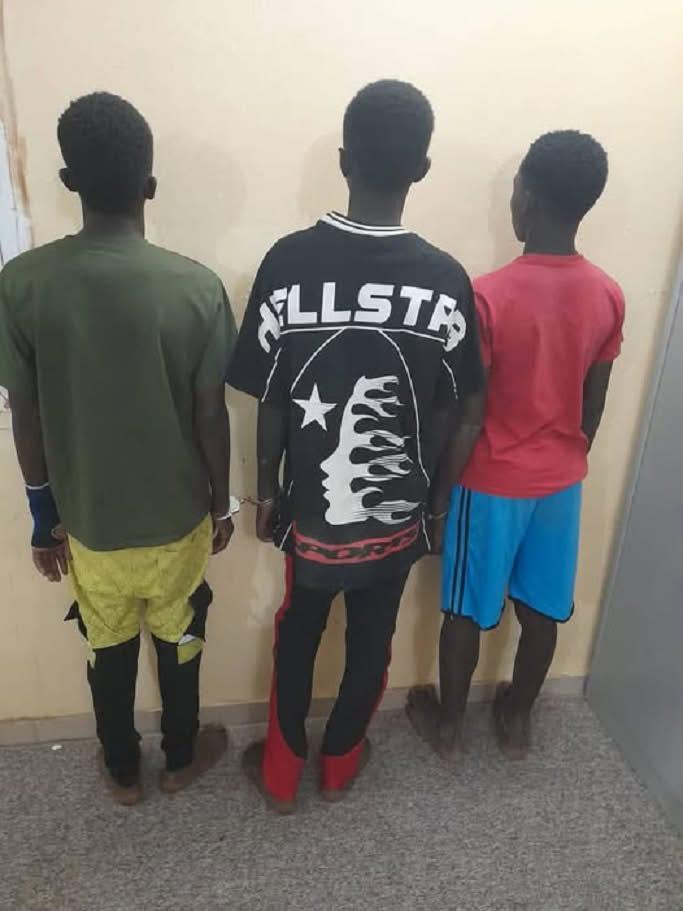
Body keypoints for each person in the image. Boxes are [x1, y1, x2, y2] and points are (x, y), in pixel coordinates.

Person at [229, 79, 485, 813]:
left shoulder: (287, 262)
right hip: (400, 513)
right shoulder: (445, 279)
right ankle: (340, 762)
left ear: (344, 160)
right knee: (374, 637)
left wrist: (266, 492)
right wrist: (437, 507)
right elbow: (462, 407)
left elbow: (272, 394)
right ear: (422, 169)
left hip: (310, 511)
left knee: (297, 630)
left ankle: (281, 772)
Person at [0, 92, 237, 805]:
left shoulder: (22, 284)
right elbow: (210, 414)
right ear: (150, 186)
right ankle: (182, 755)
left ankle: (123, 768)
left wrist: (44, 519)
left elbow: (24, 410)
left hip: (89, 528)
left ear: (68, 182)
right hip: (176, 523)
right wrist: (220, 505)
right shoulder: (197, 287)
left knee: (106, 643)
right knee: (181, 635)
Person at [407, 130, 625, 761]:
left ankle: (450, 729)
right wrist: (562, 458)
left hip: (490, 482)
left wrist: (438, 500)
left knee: (464, 610)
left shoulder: (487, 294)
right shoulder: (607, 293)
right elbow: (593, 405)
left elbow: (467, 414)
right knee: (541, 609)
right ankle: (517, 720)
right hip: (560, 483)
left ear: (525, 197)